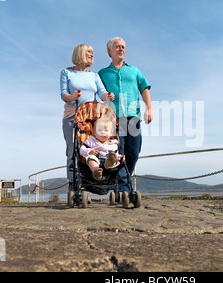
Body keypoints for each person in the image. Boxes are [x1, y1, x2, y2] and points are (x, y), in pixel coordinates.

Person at [98, 37, 153, 193]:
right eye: (117, 46)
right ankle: (123, 190)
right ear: (110, 51)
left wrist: (149, 108)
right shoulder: (102, 73)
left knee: (133, 153)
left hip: (133, 117)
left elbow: (144, 89)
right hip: (112, 119)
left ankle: (120, 183)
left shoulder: (134, 70)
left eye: (123, 46)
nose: (121, 49)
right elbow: (98, 93)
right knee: (117, 153)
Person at [60, 44, 115, 183]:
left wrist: (107, 96)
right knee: (73, 150)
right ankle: (74, 184)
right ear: (80, 53)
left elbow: (102, 92)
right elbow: (63, 94)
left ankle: (90, 182)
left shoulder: (94, 75)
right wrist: (72, 97)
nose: (92, 54)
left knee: (92, 148)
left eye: (92, 52)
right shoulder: (67, 72)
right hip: (72, 116)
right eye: (89, 52)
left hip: (91, 118)